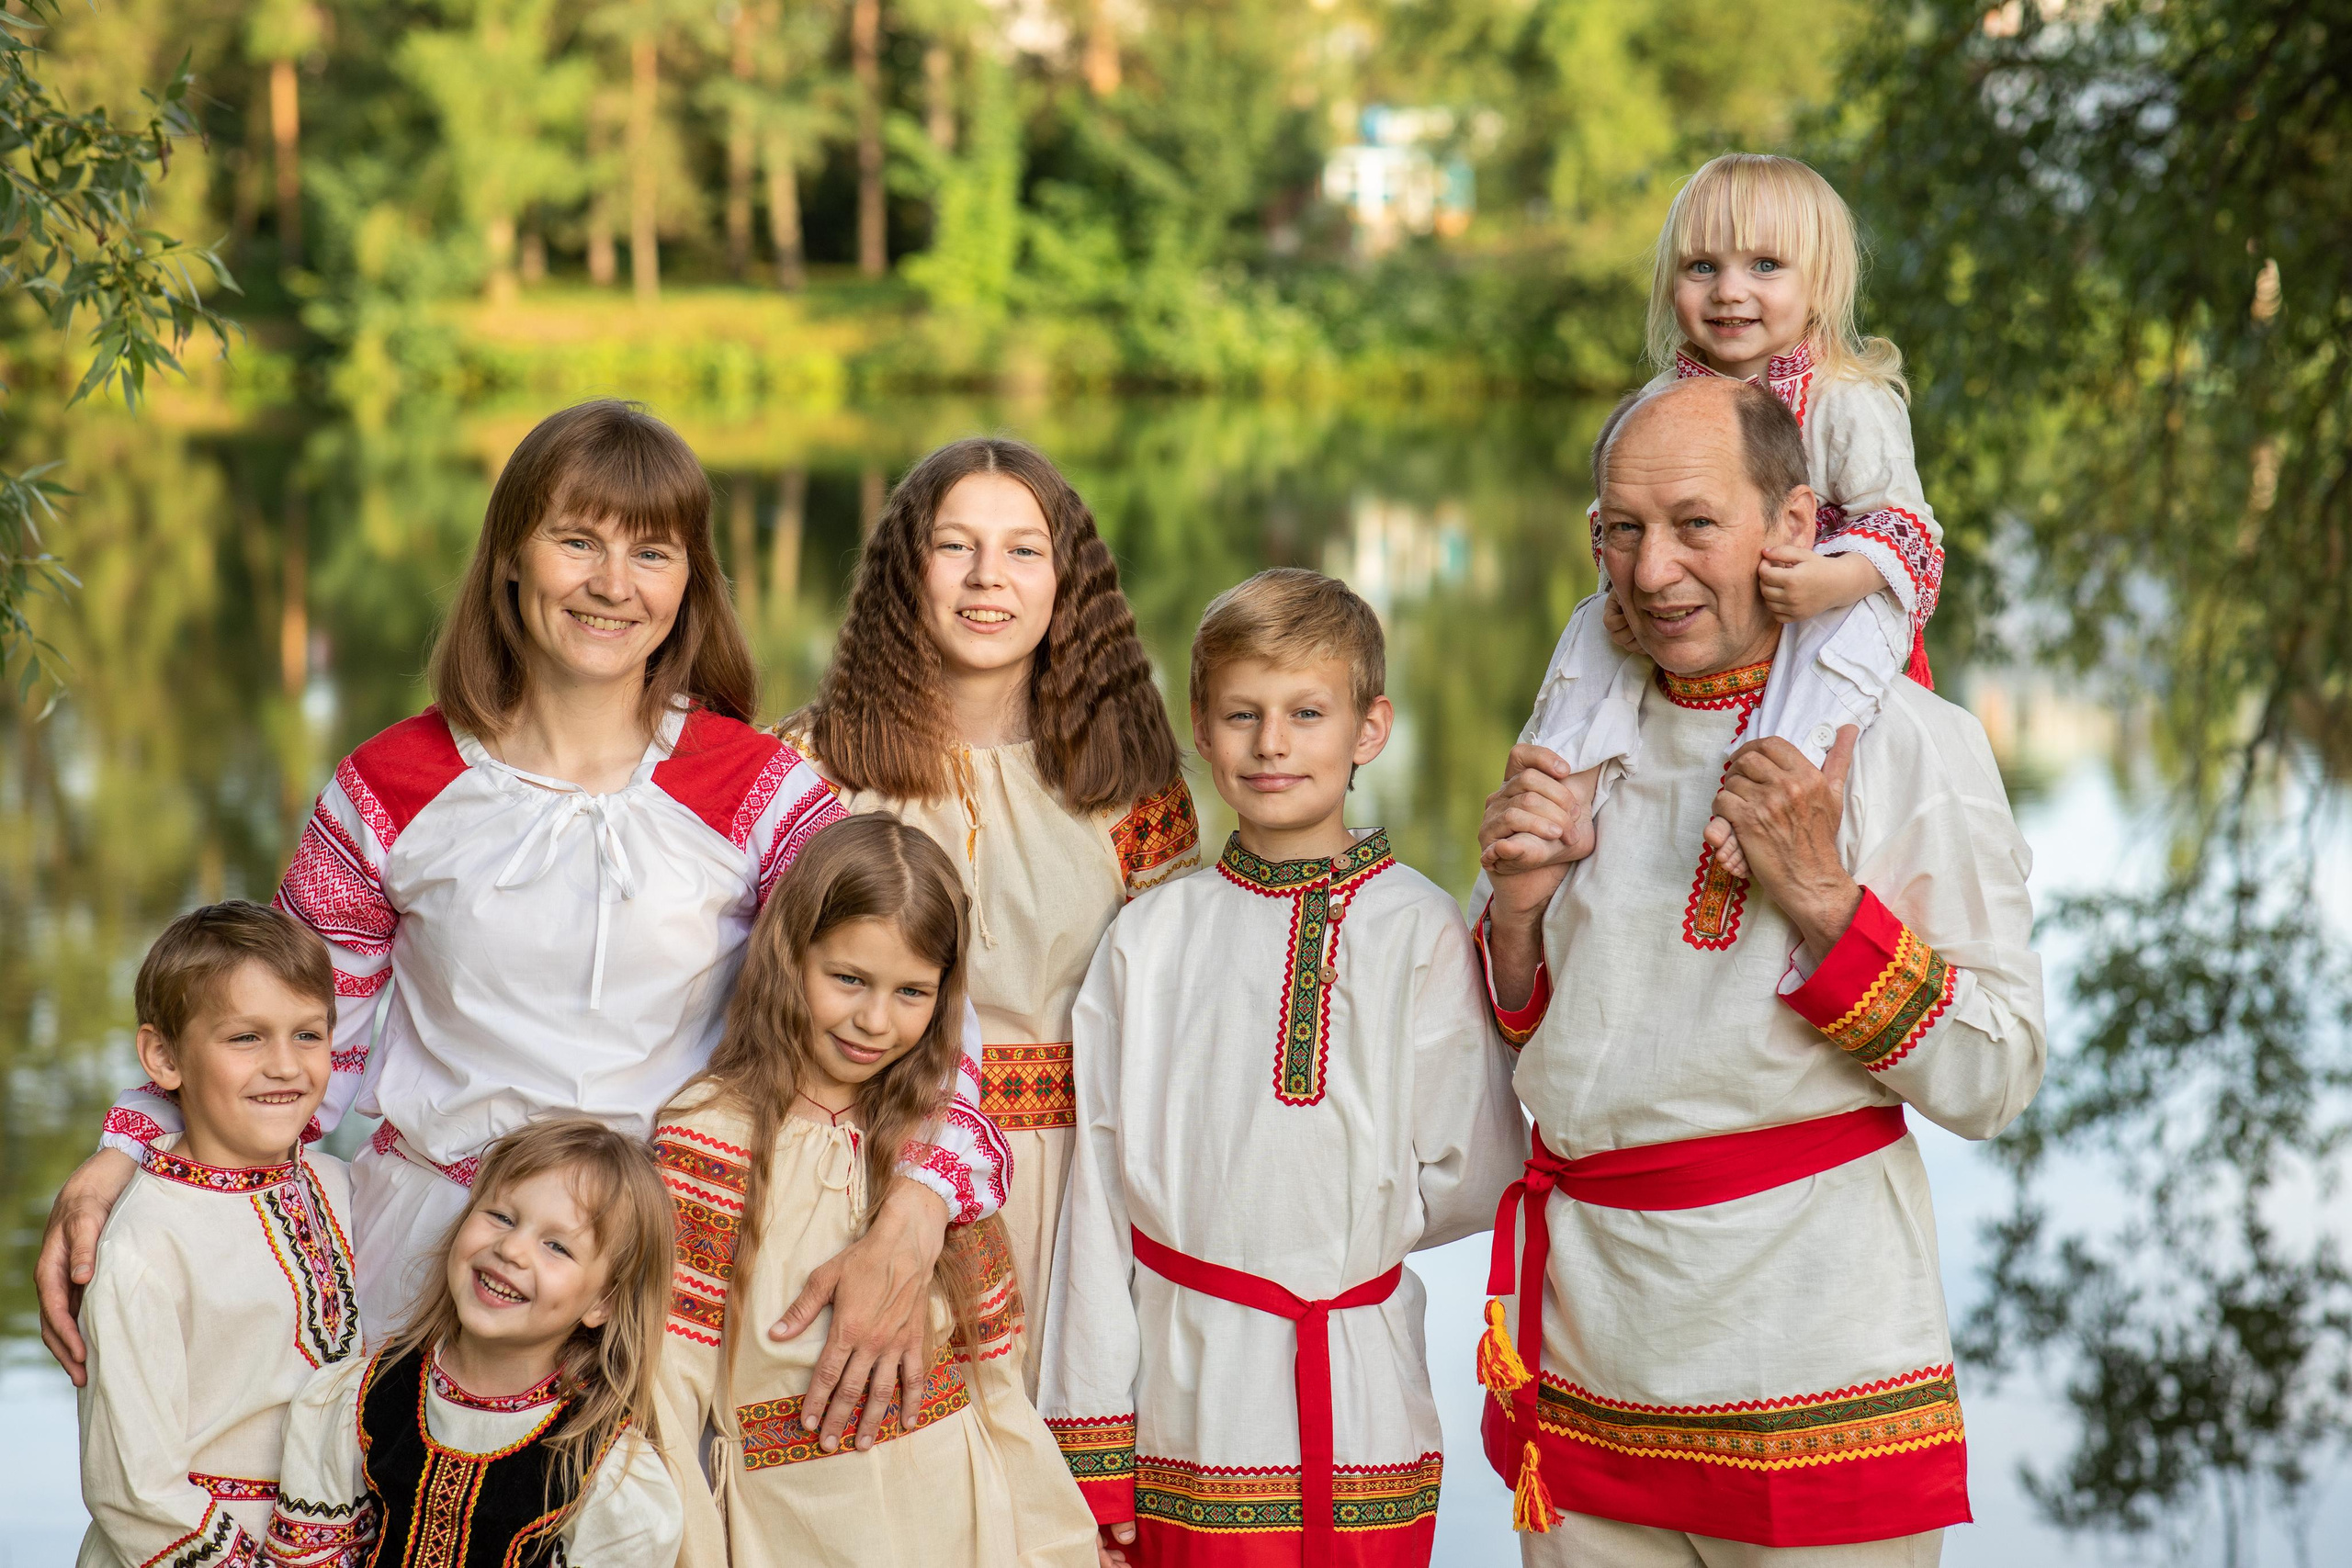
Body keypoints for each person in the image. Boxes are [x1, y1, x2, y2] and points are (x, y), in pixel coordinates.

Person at [39, 400, 1007, 1454]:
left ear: (691, 581)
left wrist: (912, 1223)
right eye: (575, 540)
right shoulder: (387, 786)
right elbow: (287, 1048)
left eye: (652, 551)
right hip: (434, 1251)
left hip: (666, 1260)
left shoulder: (761, 789)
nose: (611, 583)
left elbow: (916, 1028)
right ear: (509, 557)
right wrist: (129, 1152)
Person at [1473, 375, 2044, 1565]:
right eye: (1622, 530)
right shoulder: (1576, 729)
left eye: (1694, 523)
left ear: (1793, 526)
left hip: (1814, 1357)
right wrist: (1519, 913)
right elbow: (1526, 1041)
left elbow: (1999, 1076)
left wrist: (1824, 897)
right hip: (1592, 1359)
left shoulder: (1905, 740)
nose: (1652, 568)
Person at [1039, 569, 1524, 1568]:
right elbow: (1097, 1202)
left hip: (1358, 1388)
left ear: (1369, 729)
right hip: (1184, 1393)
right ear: (1200, 730)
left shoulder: (1422, 930)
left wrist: (1324, 1232)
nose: (1271, 744)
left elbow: (1473, 1171)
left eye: (1307, 713)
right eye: (1241, 715)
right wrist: (1091, 1440)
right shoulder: (1150, 937)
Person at [789, 436, 1198, 1394]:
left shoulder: (1129, 784)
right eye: (954, 546)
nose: (987, 579)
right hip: (860, 1175)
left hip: (1077, 1194)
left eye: (1023, 550)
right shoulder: (815, 768)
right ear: (905, 569)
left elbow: (1175, 1025)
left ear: (1067, 580)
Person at [653, 814, 1097, 1566]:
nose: (874, 1020)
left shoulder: (939, 1152)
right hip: (795, 1528)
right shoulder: (712, 1135)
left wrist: (1056, 1544)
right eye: (849, 978)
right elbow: (668, 1392)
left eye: (912, 991)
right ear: (790, 954)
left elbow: (996, 1373)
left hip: (963, 1513)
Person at [1509, 152, 1944, 886]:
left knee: (1838, 651)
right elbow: (1614, 515)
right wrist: (1620, 593)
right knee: (1590, 626)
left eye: (1765, 265)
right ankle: (1567, 786)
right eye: (1702, 267)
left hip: (1833, 599)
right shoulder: (1663, 401)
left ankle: (1772, 798)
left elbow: (1908, 529)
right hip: (1709, 601)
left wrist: (1831, 579)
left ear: (1820, 283)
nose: (1729, 291)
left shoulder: (1848, 400)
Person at [75, 902, 360, 1568]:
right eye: (247, 1038)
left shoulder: (344, 1188)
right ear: (164, 1057)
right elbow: (132, 1488)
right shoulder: (143, 1247)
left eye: (308, 1035)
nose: (286, 1065)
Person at [266, 1118, 682, 1566]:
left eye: (557, 1246)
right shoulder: (355, 1400)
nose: (512, 1249)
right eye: (501, 1217)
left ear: (603, 1302)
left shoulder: (609, 1476)